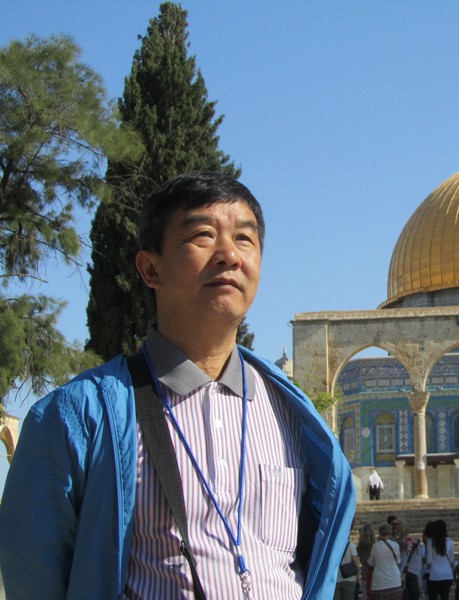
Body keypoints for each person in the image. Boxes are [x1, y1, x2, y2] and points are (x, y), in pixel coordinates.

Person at [0, 171, 356, 599]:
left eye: (244, 239)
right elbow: (35, 575)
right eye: (203, 235)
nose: (229, 255)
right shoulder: (76, 418)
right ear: (151, 268)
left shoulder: (293, 415)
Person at [368, 523, 403, 600]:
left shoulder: (376, 546)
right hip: (395, 580)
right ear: (390, 532)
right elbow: (398, 561)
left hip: (380, 583)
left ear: (380, 533)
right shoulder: (395, 545)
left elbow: (371, 563)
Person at [425, 519, 455, 600]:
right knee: (445, 597)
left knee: (433, 597)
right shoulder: (450, 541)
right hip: (447, 573)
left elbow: (429, 561)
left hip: (435, 574)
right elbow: (452, 560)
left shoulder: (430, 541)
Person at [396, 520, 423, 600]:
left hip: (404, 573)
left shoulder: (400, 542)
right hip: (413, 572)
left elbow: (402, 560)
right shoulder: (414, 540)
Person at [336, 532, 360, 600]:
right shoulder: (351, 545)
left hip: (337, 579)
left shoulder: (335, 546)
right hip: (349, 578)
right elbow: (355, 561)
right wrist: (358, 576)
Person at [357, 523, 376, 599]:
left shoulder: (359, 547)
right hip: (374, 574)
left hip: (364, 573)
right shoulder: (375, 545)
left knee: (365, 595)